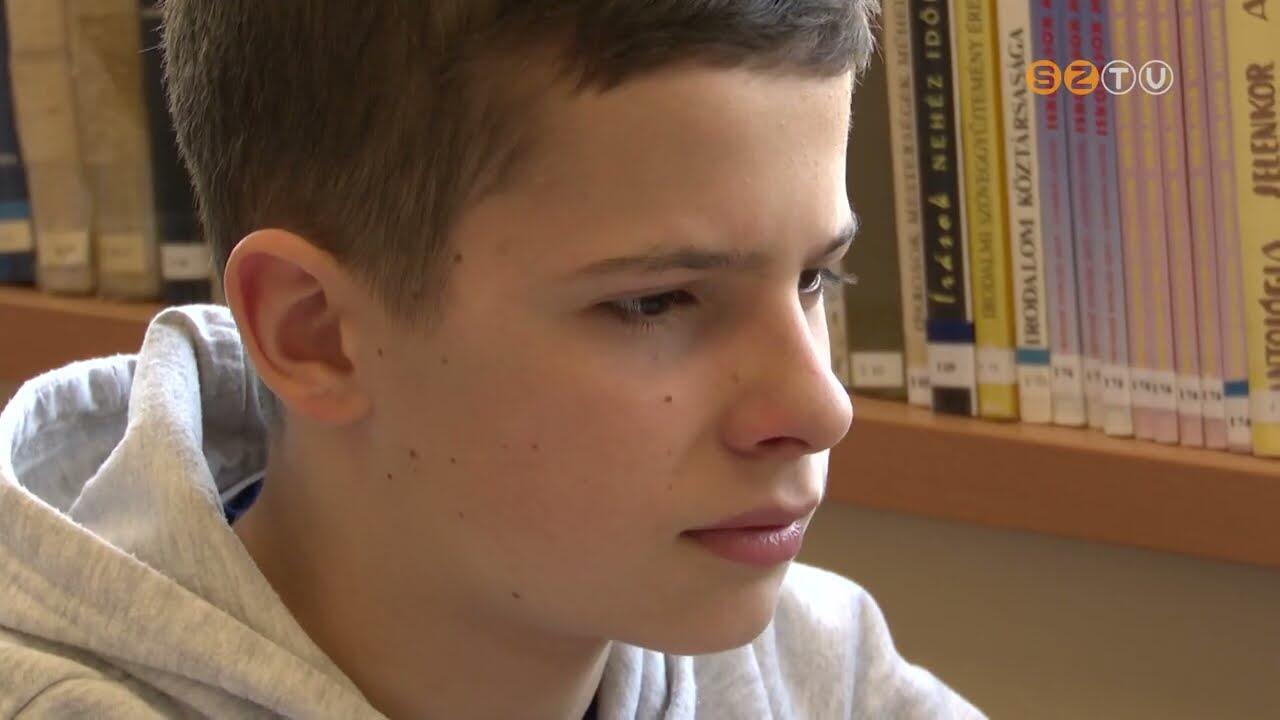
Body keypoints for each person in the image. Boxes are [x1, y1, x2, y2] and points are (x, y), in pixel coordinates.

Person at [0, 1, 988, 718]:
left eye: (815, 277)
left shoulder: (822, 671)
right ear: (315, 333)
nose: (819, 407)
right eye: (655, 301)